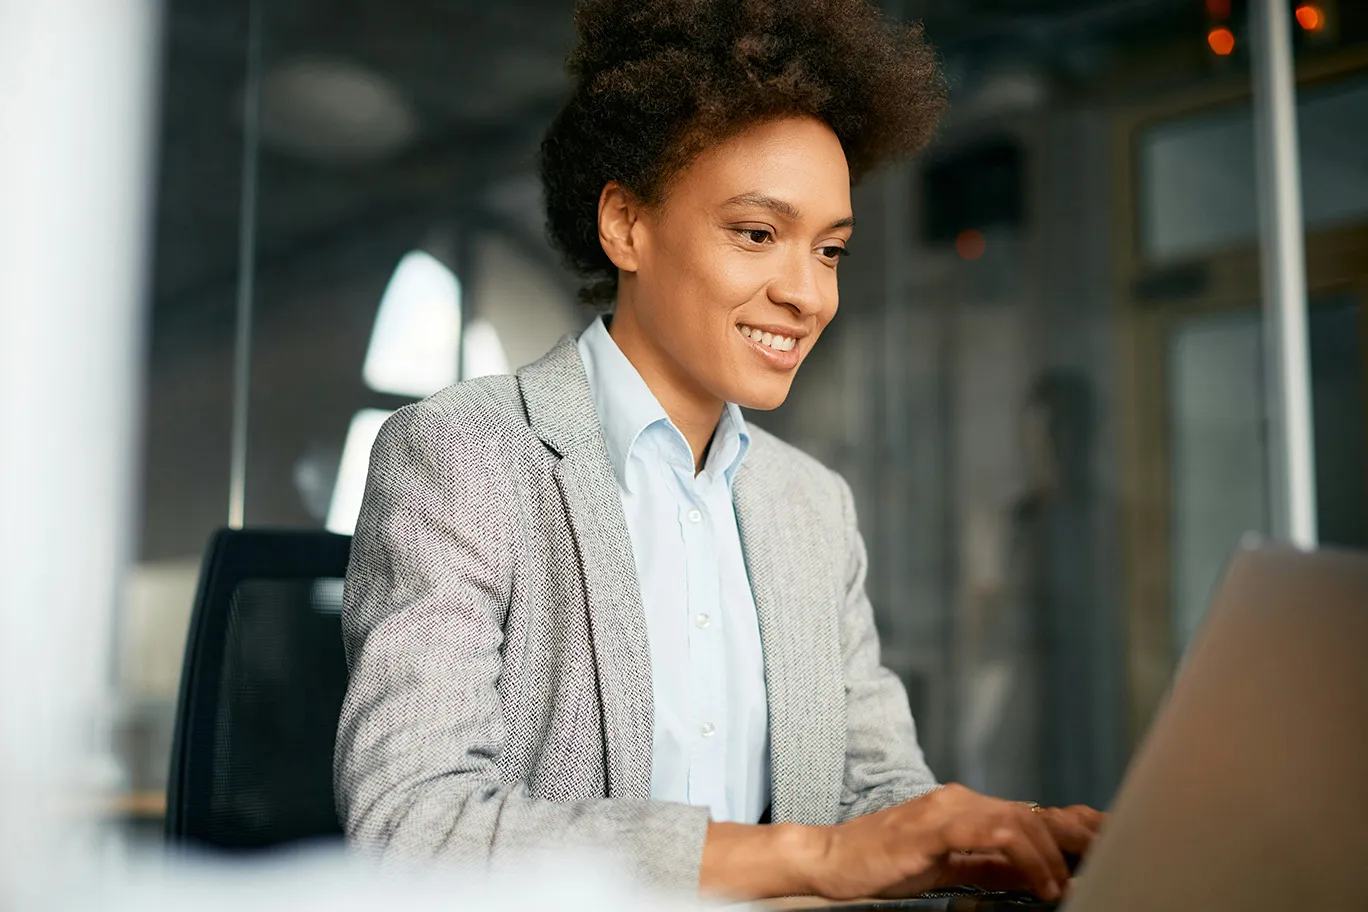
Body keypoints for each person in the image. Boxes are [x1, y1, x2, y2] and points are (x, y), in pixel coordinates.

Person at [333, 0, 1103, 902]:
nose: (807, 294)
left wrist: (991, 836)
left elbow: (873, 796)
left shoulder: (811, 505)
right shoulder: (465, 457)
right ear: (625, 224)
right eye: (757, 234)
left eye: (830, 251)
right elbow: (415, 825)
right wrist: (808, 861)